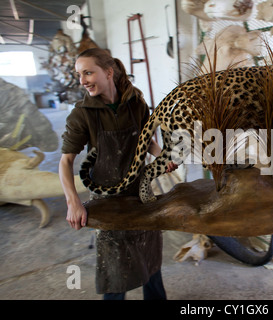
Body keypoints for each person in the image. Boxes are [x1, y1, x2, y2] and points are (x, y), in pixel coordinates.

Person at [59, 48, 176, 300]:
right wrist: (73, 203)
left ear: (108, 72)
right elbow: (65, 162)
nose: (82, 81)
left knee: (150, 254)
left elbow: (146, 141)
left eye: (88, 72)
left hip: (140, 192)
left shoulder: (136, 104)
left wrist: (162, 157)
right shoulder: (81, 114)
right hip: (108, 199)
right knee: (115, 268)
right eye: (79, 74)